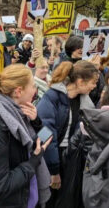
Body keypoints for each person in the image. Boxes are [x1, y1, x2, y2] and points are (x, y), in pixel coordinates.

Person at [0, 64, 52, 207]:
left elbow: (46, 137)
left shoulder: (19, 114)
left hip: (24, 197)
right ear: (19, 91)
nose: (35, 90)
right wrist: (33, 161)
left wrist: (36, 122)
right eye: (33, 86)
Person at [37, 60, 98, 207]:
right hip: (52, 157)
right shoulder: (52, 98)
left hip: (70, 156)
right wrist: (54, 170)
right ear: (80, 82)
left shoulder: (82, 101)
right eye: (93, 82)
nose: (94, 86)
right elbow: (45, 134)